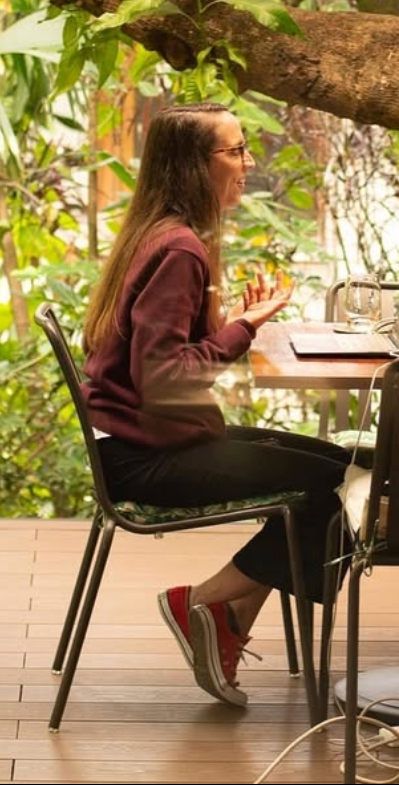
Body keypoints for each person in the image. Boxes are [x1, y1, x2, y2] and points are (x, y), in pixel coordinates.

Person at [82, 102, 352, 707]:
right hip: (143, 458)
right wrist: (245, 327)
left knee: (338, 466)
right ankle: (201, 603)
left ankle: (225, 626)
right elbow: (165, 380)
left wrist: (233, 324)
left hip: (138, 443)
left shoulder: (162, 234)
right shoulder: (180, 250)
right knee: (341, 487)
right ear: (191, 167)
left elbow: (161, 364)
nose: (248, 163)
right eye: (234, 151)